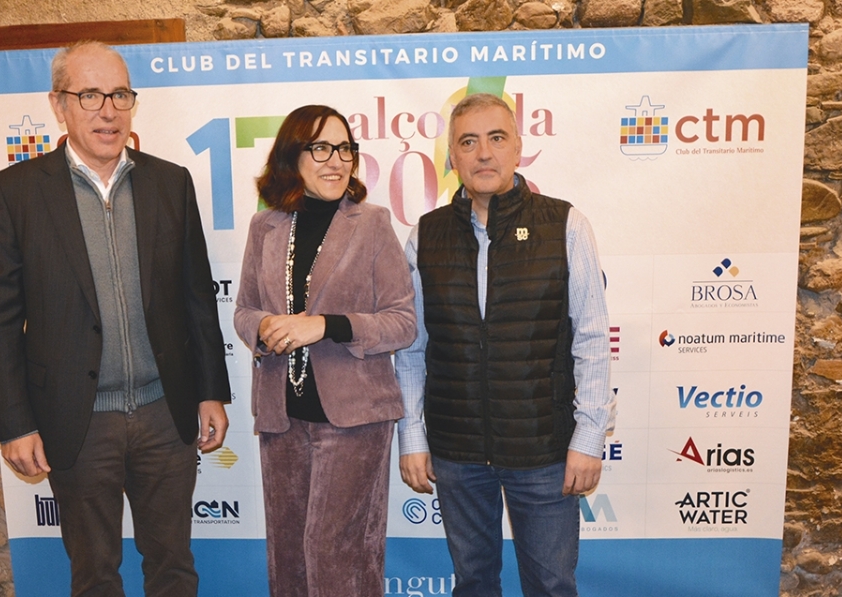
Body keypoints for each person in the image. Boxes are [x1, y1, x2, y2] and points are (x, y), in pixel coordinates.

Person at [0, 41, 231, 597]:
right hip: (77, 419)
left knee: (173, 566)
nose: (107, 110)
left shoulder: (171, 183)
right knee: (94, 575)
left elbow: (196, 298)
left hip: (167, 414)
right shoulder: (14, 193)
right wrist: (14, 423)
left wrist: (211, 391)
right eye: (89, 95)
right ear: (58, 104)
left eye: (119, 94)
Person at [395, 92, 614, 597]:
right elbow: (410, 348)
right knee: (473, 583)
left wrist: (588, 437)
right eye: (468, 142)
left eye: (496, 139)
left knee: (552, 584)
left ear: (518, 148)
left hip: (544, 451)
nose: (483, 154)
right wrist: (412, 437)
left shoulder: (566, 226)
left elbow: (593, 340)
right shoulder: (424, 236)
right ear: (452, 158)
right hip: (456, 452)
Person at [234, 105, 416, 597]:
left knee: (336, 554)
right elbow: (244, 311)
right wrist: (266, 324)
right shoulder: (265, 227)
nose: (336, 160)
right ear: (293, 157)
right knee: (289, 557)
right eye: (321, 148)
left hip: (355, 418)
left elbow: (403, 322)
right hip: (281, 418)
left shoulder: (372, 223)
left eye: (344, 149)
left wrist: (326, 325)